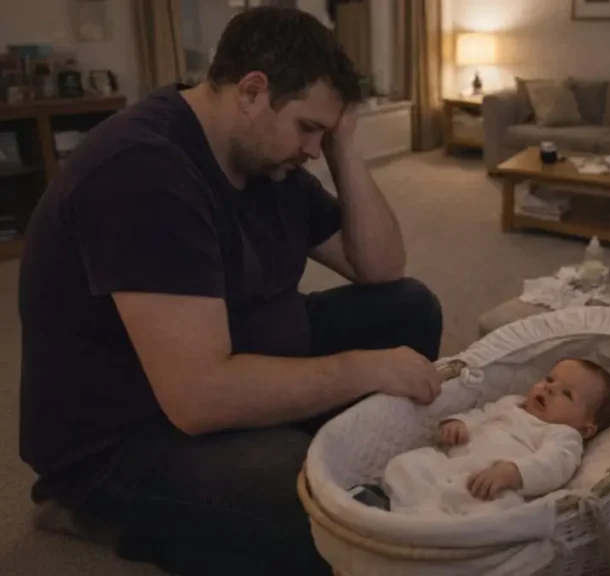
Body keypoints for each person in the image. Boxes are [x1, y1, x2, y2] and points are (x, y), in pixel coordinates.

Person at [17, 7, 442, 575]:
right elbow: (199, 397)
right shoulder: (143, 173)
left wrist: (342, 147)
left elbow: (381, 266)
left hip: (247, 347)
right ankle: (99, 515)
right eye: (308, 128)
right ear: (251, 91)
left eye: (323, 132)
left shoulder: (268, 157)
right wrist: (365, 370)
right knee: (315, 499)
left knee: (410, 307)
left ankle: (295, 447)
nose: (311, 149)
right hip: (127, 433)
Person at [378, 359, 610, 515]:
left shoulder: (564, 435)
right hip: (449, 466)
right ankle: (406, 514)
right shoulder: (512, 403)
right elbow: (480, 415)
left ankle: (431, 531)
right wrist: (459, 423)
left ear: (585, 428)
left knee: (498, 515)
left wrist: (512, 473)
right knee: (407, 464)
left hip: (490, 489)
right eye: (550, 379)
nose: (549, 388)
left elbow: (555, 464)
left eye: (566, 393)